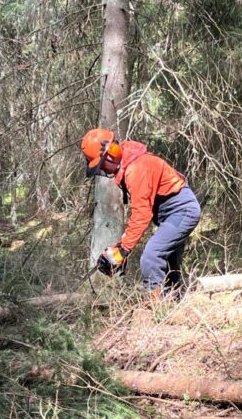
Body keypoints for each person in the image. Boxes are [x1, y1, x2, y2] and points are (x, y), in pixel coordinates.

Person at [81, 128, 201, 300]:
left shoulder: (136, 169)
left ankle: (154, 308)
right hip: (173, 214)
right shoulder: (131, 165)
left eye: (102, 166)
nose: (104, 172)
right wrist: (121, 247)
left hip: (182, 211)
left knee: (152, 256)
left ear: (110, 155)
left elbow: (142, 214)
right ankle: (173, 301)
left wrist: (123, 249)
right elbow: (140, 214)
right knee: (168, 260)